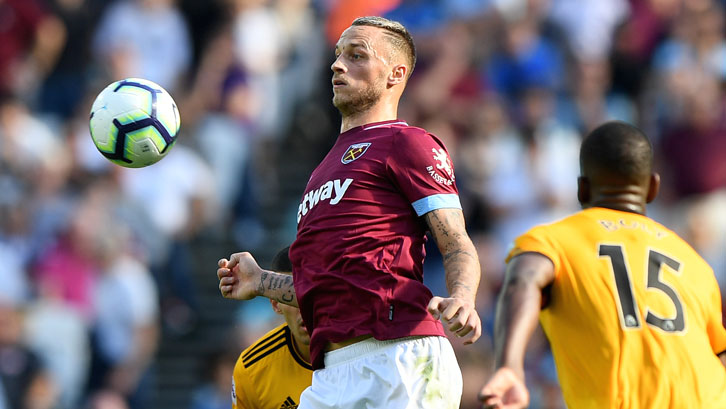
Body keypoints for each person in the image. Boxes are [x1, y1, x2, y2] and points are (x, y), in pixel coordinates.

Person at [217, 15, 482, 408]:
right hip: (332, 371)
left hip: (401, 358)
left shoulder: (408, 143)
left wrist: (462, 296)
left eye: (356, 55)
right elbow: (329, 285)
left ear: (396, 73)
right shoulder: (322, 170)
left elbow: (457, 241)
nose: (338, 65)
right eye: (338, 55)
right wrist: (261, 281)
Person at [479, 121, 726, 409]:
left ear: (582, 188)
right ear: (653, 187)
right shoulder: (694, 261)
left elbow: (524, 277)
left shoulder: (554, 239)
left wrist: (509, 366)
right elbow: (719, 353)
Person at [231, 246, 312, 409]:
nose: (304, 307)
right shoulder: (252, 370)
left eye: (310, 294)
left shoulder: (365, 343)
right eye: (291, 296)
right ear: (275, 304)